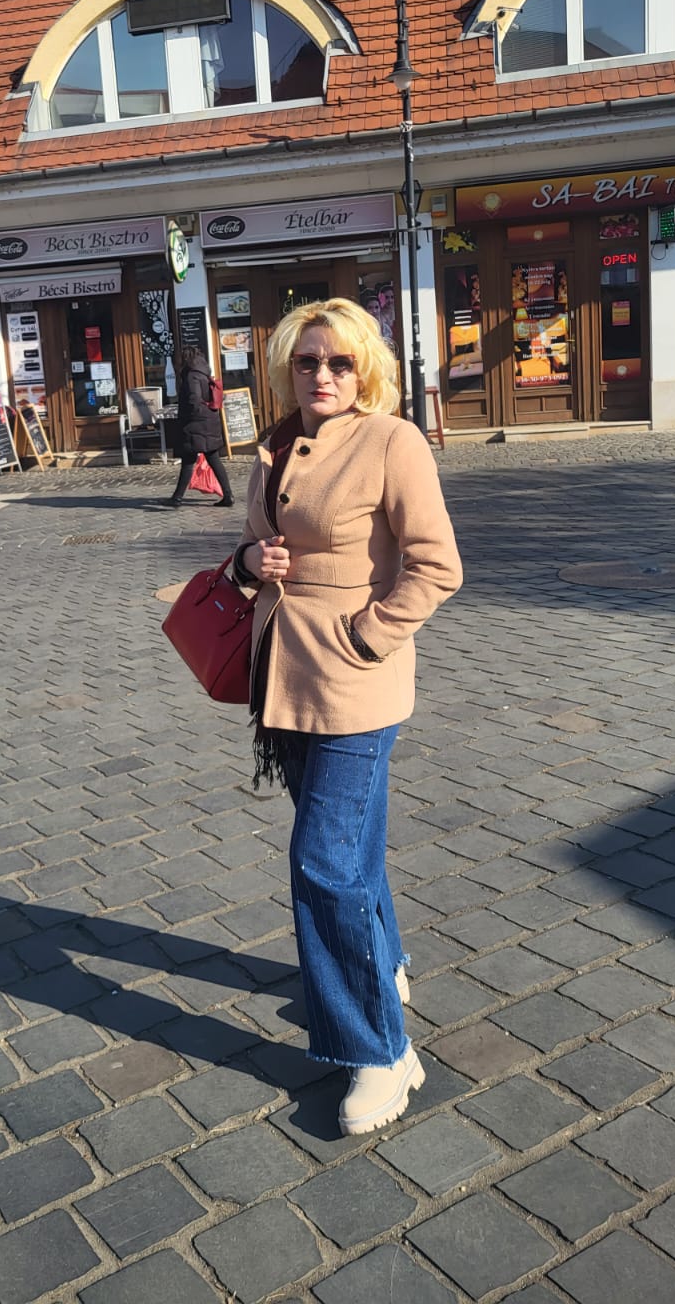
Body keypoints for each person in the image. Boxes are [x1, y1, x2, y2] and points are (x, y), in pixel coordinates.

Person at [232, 298, 462, 1136]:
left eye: (339, 362)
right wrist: (249, 559)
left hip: (356, 685)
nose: (322, 375)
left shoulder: (392, 441)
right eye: (307, 361)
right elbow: (253, 547)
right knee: (351, 849)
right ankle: (382, 964)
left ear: (366, 370)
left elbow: (437, 566)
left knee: (323, 863)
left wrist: (369, 635)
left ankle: (382, 1051)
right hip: (285, 682)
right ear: (286, 369)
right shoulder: (275, 445)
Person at [164, 345, 235, 507]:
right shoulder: (202, 371)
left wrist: (187, 416)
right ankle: (228, 495)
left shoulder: (191, 375)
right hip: (208, 422)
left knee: (189, 459)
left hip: (196, 424)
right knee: (212, 459)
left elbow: (194, 399)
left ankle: (177, 498)